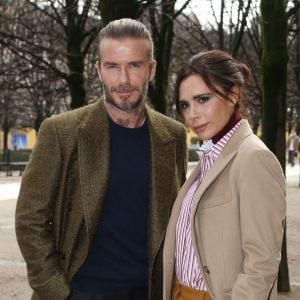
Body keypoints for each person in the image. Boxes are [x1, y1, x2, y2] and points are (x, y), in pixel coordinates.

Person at [15, 18, 187, 300]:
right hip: (81, 291)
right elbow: (29, 220)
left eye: (134, 65)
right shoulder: (60, 132)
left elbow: (177, 221)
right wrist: (59, 292)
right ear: (98, 69)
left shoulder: (173, 135)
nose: (124, 80)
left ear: (151, 69)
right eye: (112, 66)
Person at [163, 50, 286, 300]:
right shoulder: (210, 157)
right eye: (185, 104)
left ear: (233, 93)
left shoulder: (253, 159)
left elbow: (261, 262)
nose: (192, 114)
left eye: (203, 99)